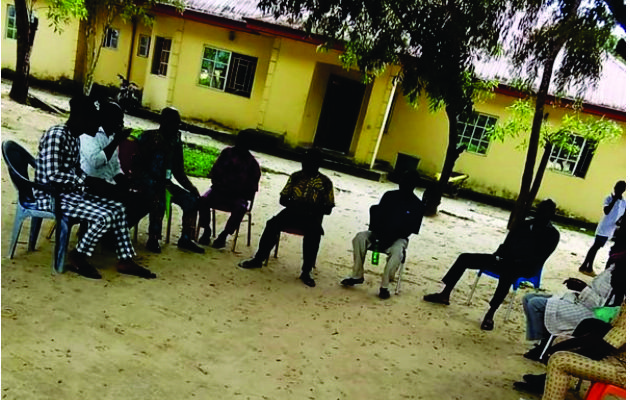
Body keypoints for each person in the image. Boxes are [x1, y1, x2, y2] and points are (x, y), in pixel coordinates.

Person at [34, 94, 155, 280]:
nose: (97, 124)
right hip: (51, 197)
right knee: (104, 217)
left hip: (70, 194)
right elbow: (52, 177)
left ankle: (125, 259)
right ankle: (78, 255)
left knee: (118, 209)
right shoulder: (57, 136)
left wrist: (85, 180)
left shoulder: (73, 137)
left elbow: (75, 170)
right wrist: (85, 182)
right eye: (94, 119)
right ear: (81, 118)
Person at [423, 199, 560, 331]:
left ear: (551, 215)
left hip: (525, 267)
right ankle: (445, 293)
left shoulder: (552, 235)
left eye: (545, 212)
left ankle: (491, 313)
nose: (540, 214)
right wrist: (498, 255)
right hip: (504, 259)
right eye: (540, 210)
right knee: (464, 258)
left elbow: (538, 258)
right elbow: (507, 243)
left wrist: (513, 260)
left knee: (508, 274)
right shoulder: (524, 224)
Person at [238, 148, 335, 287]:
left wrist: (311, 209)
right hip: (292, 211)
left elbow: (329, 208)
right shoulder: (296, 176)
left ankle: (306, 271)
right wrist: (295, 205)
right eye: (304, 161)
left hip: (312, 216)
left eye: (309, 162)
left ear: (317, 164)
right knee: (272, 224)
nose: (305, 164)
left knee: (314, 234)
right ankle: (259, 259)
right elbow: (283, 199)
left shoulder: (325, 182)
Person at [521, 250, 625, 360]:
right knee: (528, 298)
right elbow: (596, 288)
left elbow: (605, 307)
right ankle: (543, 341)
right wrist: (581, 286)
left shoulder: (621, 277)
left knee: (535, 304)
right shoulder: (614, 266)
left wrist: (583, 289)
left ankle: (544, 344)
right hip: (581, 302)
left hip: (593, 313)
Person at [513, 301, 625, 399]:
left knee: (559, 361)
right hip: (614, 354)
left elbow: (601, 349)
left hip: (622, 370)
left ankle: (545, 387)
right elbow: (606, 334)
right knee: (562, 341)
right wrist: (564, 345)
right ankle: (545, 382)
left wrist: (562, 350)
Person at [130, 107, 204, 254]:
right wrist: (150, 181)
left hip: (165, 183)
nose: (177, 127)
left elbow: (178, 170)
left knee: (191, 200)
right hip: (145, 182)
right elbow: (135, 165)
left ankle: (186, 239)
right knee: (159, 199)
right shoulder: (147, 137)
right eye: (173, 123)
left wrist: (191, 187)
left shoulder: (175, 141)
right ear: (163, 122)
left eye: (178, 123)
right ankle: (153, 238)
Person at [340, 170, 424, 299]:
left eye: (408, 182)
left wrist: (390, 236)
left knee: (397, 252)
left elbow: (409, 230)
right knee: (359, 238)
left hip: (398, 237)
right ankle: (357, 275)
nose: (404, 184)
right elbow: (377, 216)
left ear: (414, 185)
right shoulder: (389, 196)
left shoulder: (417, 205)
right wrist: (377, 233)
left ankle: (385, 286)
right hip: (379, 233)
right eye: (403, 181)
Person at [197, 131, 261, 249]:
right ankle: (206, 229)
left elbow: (251, 190)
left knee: (241, 207)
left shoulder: (252, 164)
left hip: (237, 196)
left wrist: (236, 191)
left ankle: (224, 235)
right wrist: (220, 186)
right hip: (219, 191)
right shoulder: (226, 153)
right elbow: (214, 173)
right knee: (203, 200)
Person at [79, 100, 130, 202]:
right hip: (90, 186)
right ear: (107, 119)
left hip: (107, 185)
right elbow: (96, 161)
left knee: (139, 200)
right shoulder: (90, 134)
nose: (122, 124)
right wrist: (116, 142)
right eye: (119, 120)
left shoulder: (112, 137)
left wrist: (125, 182)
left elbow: (115, 168)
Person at [579, 181, 625, 276]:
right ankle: (588, 267)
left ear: (623, 190)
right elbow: (606, 211)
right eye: (616, 187)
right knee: (595, 247)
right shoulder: (609, 198)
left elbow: (623, 214)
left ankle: (584, 266)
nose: (616, 190)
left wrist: (619, 221)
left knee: (597, 247)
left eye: (619, 188)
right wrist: (614, 200)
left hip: (611, 229)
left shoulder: (623, 203)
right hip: (604, 227)